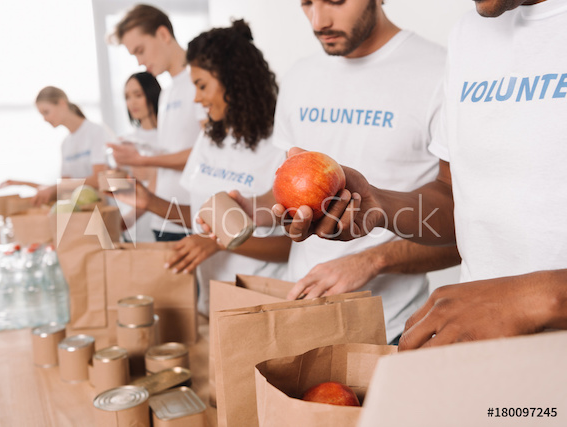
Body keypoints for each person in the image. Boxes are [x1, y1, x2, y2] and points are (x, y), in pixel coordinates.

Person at [273, 0, 567, 350]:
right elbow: (451, 195)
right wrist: (380, 206)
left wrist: (530, 300)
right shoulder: (469, 33)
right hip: (479, 350)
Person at [208, 0, 461, 345]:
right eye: (307, 3)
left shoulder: (441, 72)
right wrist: (254, 210)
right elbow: (294, 192)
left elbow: (465, 229)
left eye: (336, 1)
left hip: (392, 327)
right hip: (301, 314)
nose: (318, 20)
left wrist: (373, 260)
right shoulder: (300, 77)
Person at [116, 19, 290, 315]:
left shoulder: (281, 147)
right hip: (212, 303)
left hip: (262, 306)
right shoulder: (210, 138)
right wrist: (149, 201)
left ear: (234, 80)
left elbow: (288, 247)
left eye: (202, 86)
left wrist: (222, 242)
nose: (196, 98)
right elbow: (200, 219)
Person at [108, 4, 206, 242]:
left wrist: (142, 159)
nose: (140, 62)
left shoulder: (200, 83)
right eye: (134, 55)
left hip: (192, 218)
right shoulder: (167, 94)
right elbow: (168, 156)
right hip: (162, 218)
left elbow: (205, 155)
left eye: (140, 50)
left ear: (163, 34)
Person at [0, 86, 113, 206]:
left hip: (105, 209)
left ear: (62, 103)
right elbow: (64, 187)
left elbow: (98, 179)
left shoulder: (96, 132)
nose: (44, 119)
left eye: (46, 112)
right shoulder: (66, 144)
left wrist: (55, 187)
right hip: (82, 212)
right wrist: (24, 184)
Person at [116, 72, 162, 242]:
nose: (132, 102)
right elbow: (120, 189)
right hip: (129, 231)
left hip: (160, 225)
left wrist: (129, 218)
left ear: (152, 94)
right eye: (127, 97)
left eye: (138, 95)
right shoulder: (125, 142)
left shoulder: (166, 139)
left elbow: (156, 189)